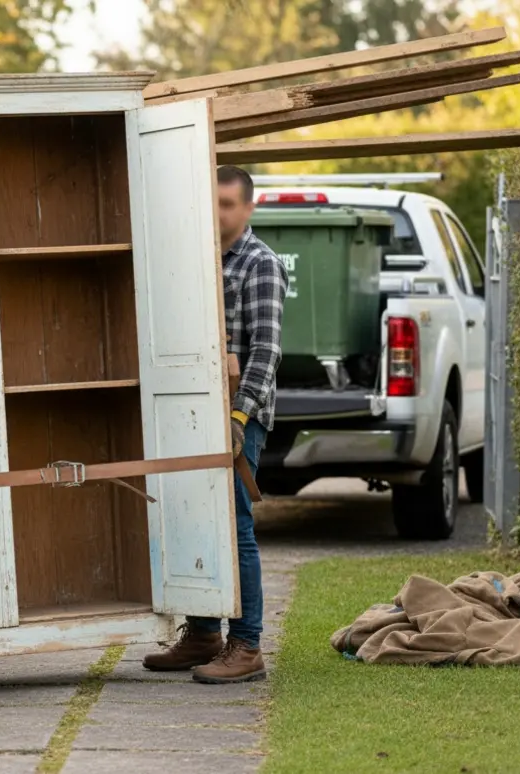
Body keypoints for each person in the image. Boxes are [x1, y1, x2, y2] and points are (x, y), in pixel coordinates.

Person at [144, 165, 288, 684]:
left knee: (236, 526)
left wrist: (236, 415)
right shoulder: (195, 259)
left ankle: (246, 645)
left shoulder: (260, 264)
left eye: (229, 203)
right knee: (192, 519)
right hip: (191, 413)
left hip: (237, 416)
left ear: (248, 207)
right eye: (214, 202)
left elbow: (265, 351)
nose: (219, 212)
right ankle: (204, 634)